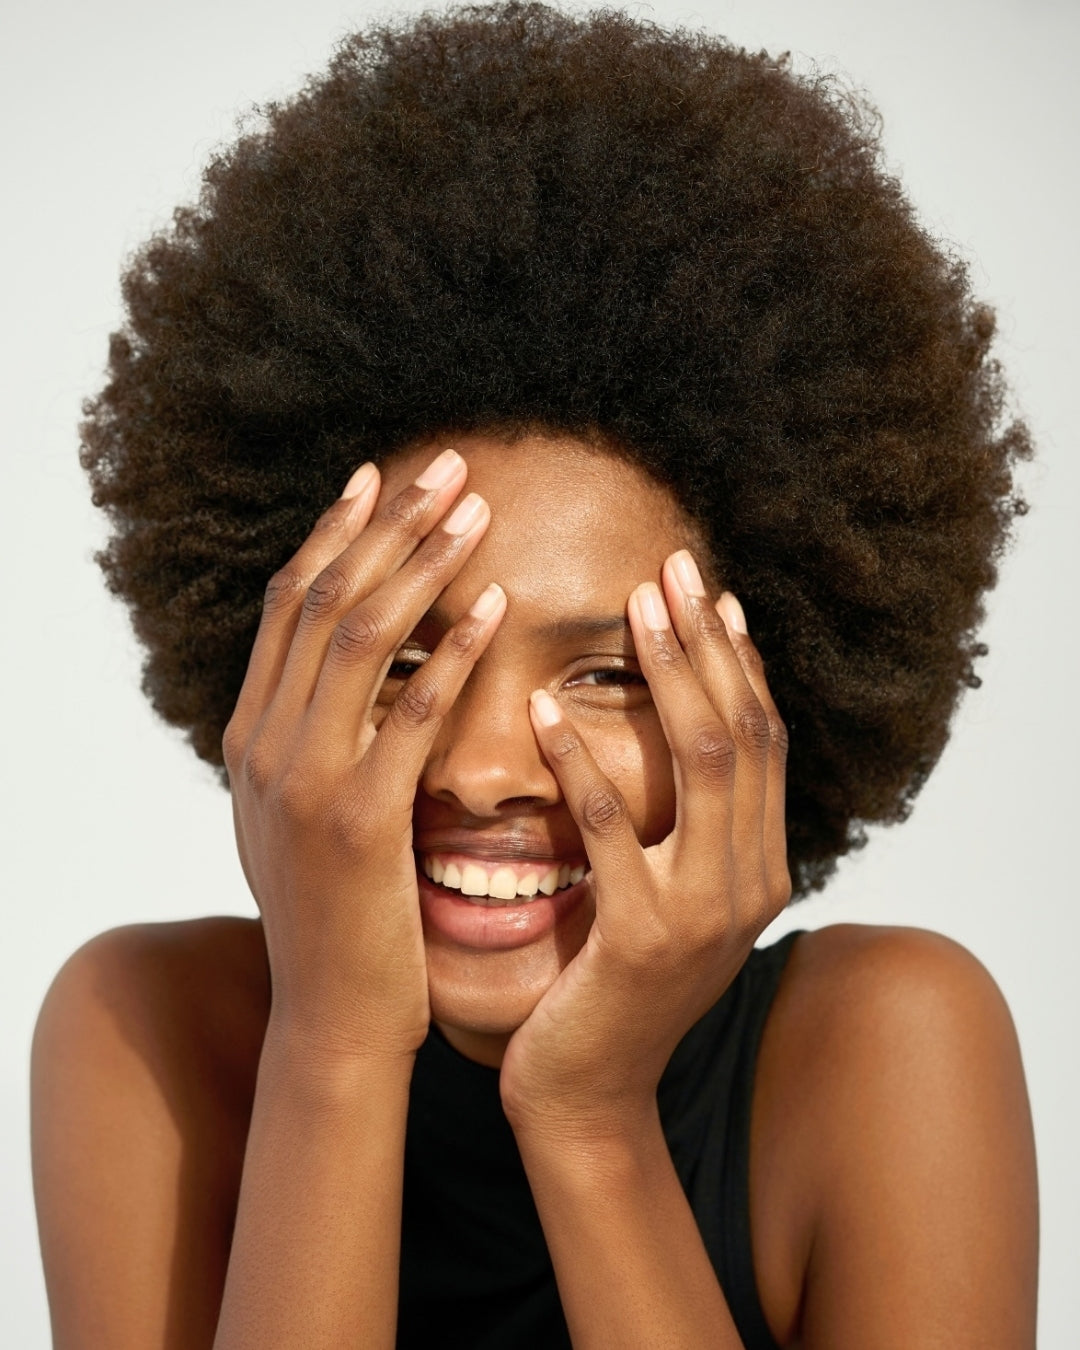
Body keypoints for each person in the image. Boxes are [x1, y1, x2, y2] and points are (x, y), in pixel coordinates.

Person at [30, 3, 1038, 1346]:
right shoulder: (150, 1037)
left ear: (771, 701)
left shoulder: (890, 1053)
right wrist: (333, 1044)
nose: (480, 764)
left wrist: (590, 1114)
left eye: (616, 672)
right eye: (403, 655)